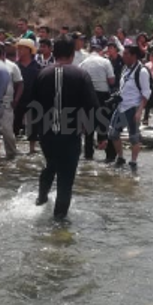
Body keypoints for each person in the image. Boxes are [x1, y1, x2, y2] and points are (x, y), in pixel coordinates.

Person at [31, 35, 99, 220]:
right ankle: (59, 222)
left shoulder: (42, 74)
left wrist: (34, 131)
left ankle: (41, 199)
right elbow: (92, 106)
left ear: (53, 53)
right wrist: (95, 132)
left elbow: (32, 105)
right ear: (72, 53)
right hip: (70, 134)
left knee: (51, 165)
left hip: (46, 134)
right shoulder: (81, 75)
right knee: (66, 178)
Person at [108, 45, 151, 172]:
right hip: (121, 106)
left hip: (133, 107)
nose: (123, 56)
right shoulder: (125, 68)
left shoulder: (142, 71)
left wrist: (139, 111)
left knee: (134, 137)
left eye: (126, 54)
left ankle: (133, 161)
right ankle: (120, 157)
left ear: (134, 56)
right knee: (113, 133)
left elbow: (146, 93)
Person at [80, 44, 116, 160]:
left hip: (87, 95)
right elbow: (111, 80)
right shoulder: (105, 62)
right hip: (103, 96)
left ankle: (88, 155)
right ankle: (109, 155)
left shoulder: (83, 63)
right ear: (100, 51)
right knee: (105, 123)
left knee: (89, 127)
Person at [15, 39, 42, 154]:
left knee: (33, 124)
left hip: (33, 98)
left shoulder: (37, 67)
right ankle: (14, 146)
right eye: (19, 48)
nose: (19, 51)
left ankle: (32, 148)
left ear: (29, 50)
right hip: (17, 99)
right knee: (15, 122)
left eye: (22, 48)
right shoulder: (15, 66)